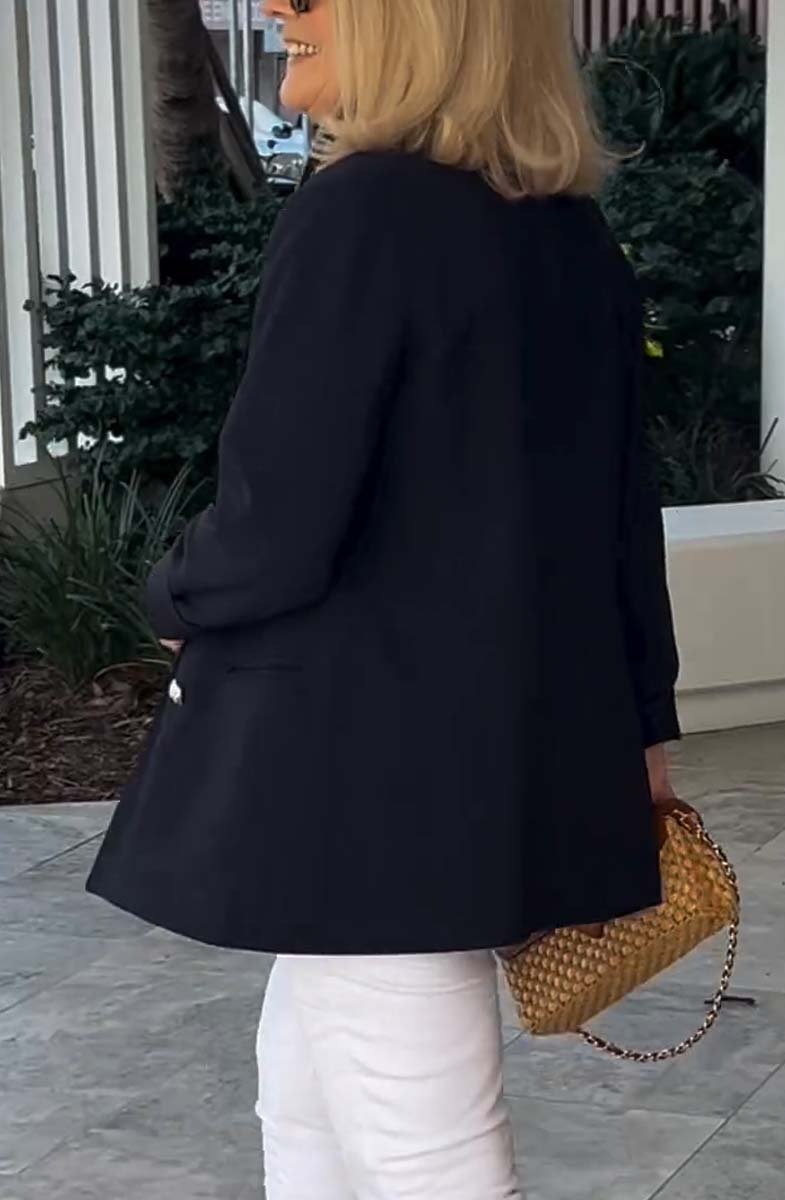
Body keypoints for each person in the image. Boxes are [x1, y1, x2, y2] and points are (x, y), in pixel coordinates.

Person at [86, 0, 682, 1196]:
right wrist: (643, 727)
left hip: (363, 784)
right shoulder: (567, 234)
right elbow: (622, 519)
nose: (276, 7)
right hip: (479, 766)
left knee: (429, 1158)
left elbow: (275, 526)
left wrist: (171, 593)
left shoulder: (363, 211)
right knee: (304, 1096)